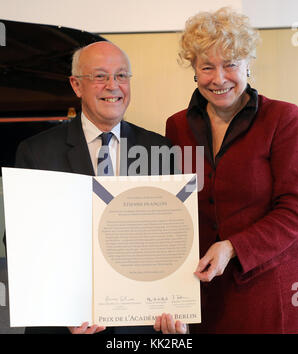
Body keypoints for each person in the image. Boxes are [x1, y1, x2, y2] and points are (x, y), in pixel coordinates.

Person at [14, 41, 186, 334]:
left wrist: (178, 310)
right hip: (65, 324)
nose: (113, 86)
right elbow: (23, 243)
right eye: (99, 76)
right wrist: (62, 309)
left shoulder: (160, 149)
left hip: (141, 326)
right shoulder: (36, 152)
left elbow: (173, 239)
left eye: (121, 76)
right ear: (76, 85)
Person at [165, 7, 298, 334]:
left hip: (262, 291)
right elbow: (171, 207)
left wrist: (233, 246)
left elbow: (295, 209)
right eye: (207, 66)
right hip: (197, 289)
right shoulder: (176, 126)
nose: (219, 78)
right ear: (194, 69)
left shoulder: (283, 119)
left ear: (248, 64)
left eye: (230, 64)